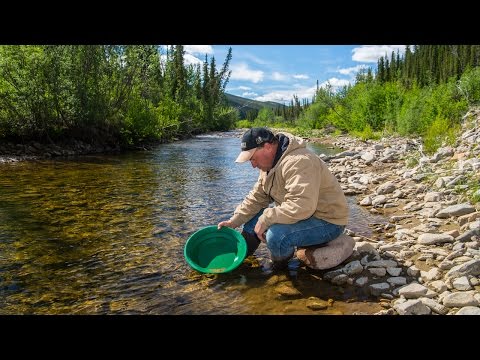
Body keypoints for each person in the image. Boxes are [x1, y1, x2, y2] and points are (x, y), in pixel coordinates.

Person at [217, 127, 349, 270]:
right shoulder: (269, 167)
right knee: (254, 215)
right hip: (302, 214)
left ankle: (280, 267)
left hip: (328, 221)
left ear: (267, 147)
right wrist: (233, 221)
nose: (253, 165)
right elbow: (256, 198)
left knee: (276, 236)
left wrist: (266, 219)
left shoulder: (299, 162)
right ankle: (241, 257)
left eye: (253, 158)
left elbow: (302, 206)